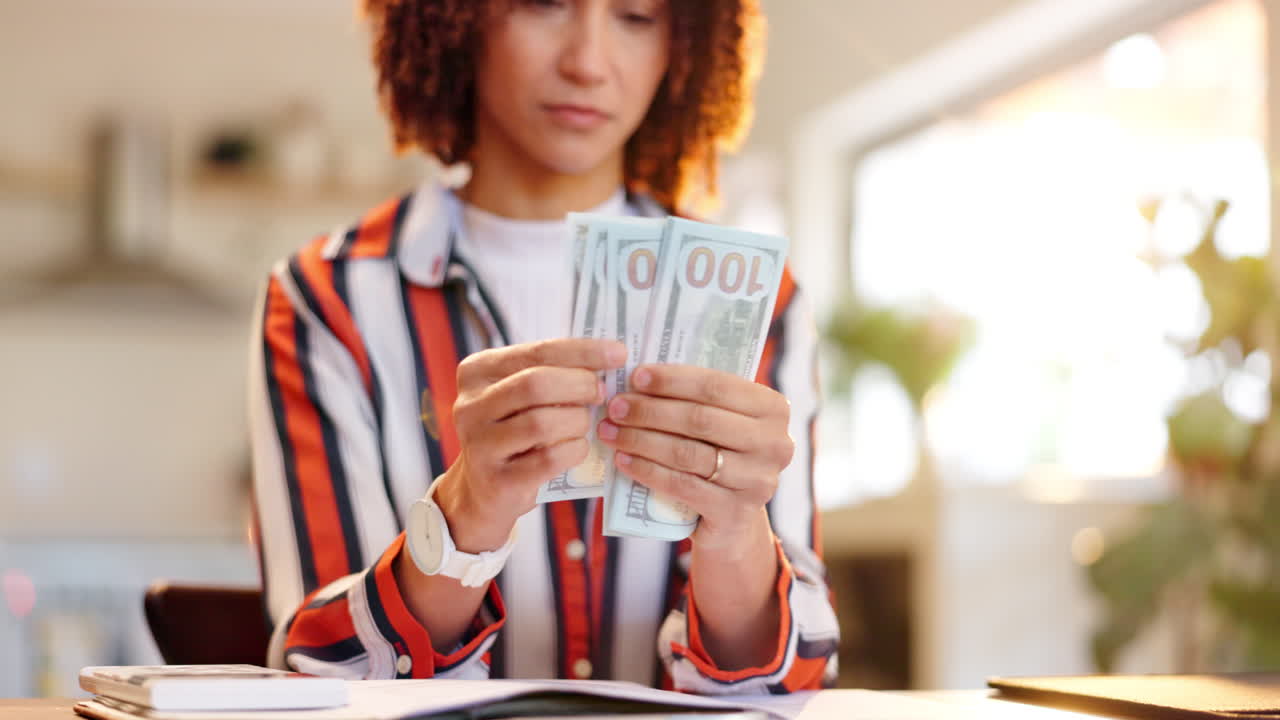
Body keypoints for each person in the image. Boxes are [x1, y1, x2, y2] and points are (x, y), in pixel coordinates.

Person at [248, 0, 838, 695]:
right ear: (454, 21)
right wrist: (465, 517)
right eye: (542, 4)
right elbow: (325, 672)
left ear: (685, 46)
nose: (587, 64)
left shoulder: (765, 304)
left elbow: (795, 677)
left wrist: (738, 532)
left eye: (638, 17)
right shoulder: (327, 299)